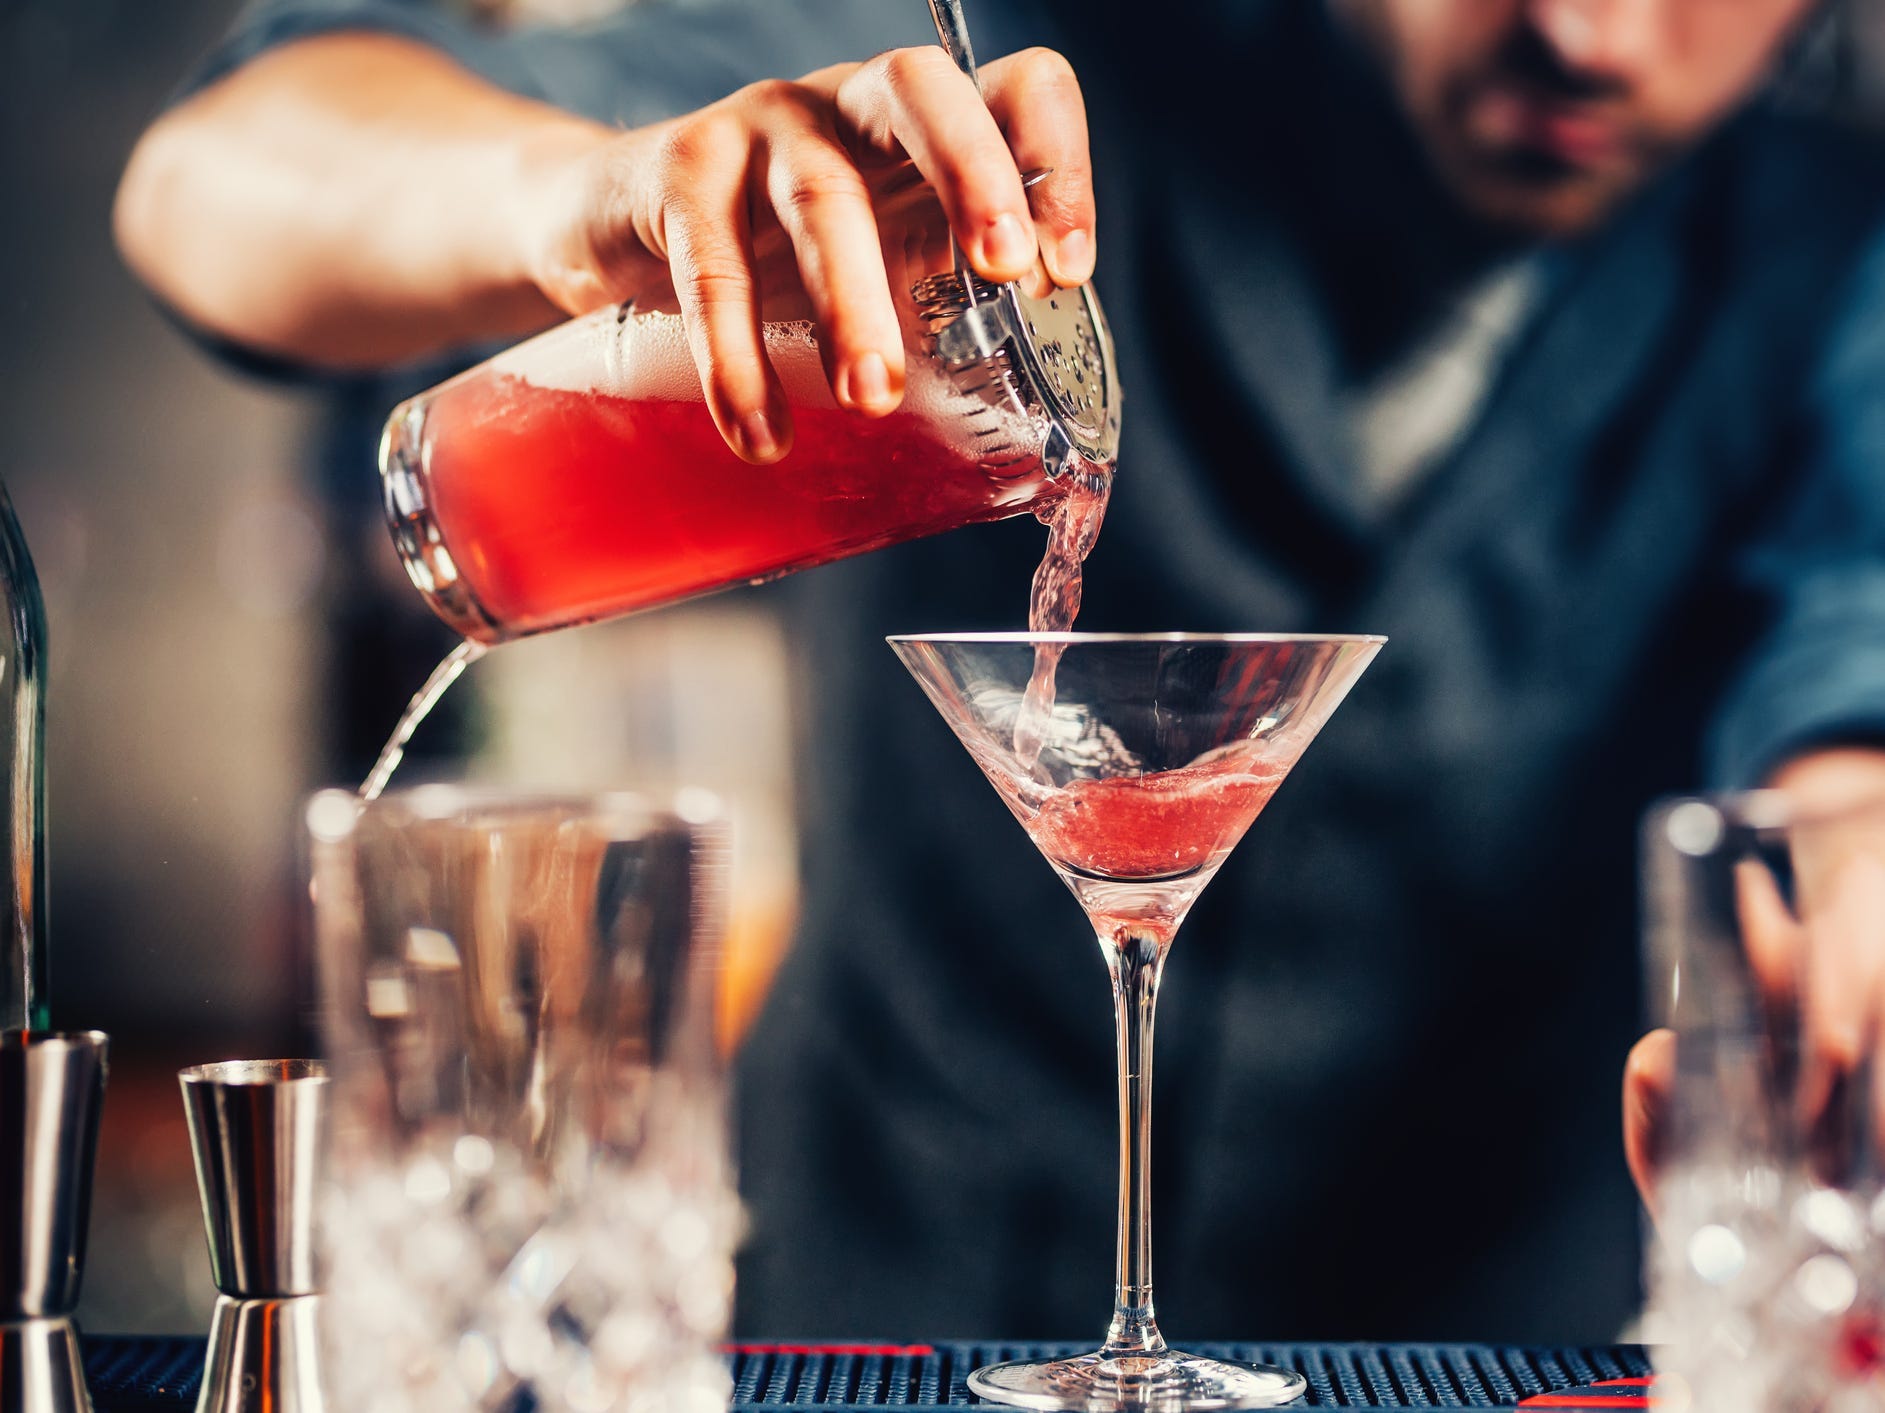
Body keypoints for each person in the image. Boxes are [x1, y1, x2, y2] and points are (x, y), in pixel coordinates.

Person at [115, 0, 1885, 1341]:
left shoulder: (1839, 244)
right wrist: (561, 196)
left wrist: (1859, 912)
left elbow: (1851, 715)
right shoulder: (992, 90)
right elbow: (209, 182)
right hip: (876, 1323)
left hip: (1482, 1350)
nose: (1584, 32)